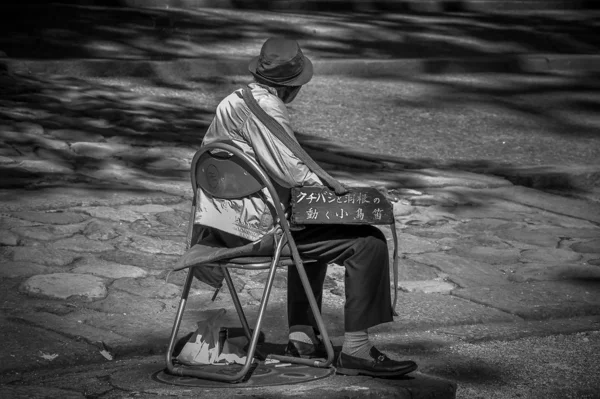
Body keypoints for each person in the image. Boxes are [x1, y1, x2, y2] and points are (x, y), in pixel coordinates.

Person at [195, 37, 417, 377]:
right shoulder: (268, 108)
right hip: (251, 232)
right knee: (368, 242)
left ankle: (301, 338)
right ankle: (357, 350)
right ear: (292, 87)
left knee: (310, 229)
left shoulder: (232, 100)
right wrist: (345, 196)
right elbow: (294, 174)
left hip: (219, 226)